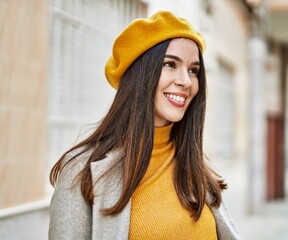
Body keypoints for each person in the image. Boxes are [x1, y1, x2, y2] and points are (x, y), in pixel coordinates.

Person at [49, 10, 241, 240]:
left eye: (193, 70)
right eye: (171, 64)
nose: (186, 81)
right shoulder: (82, 172)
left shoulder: (195, 167)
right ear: (141, 73)